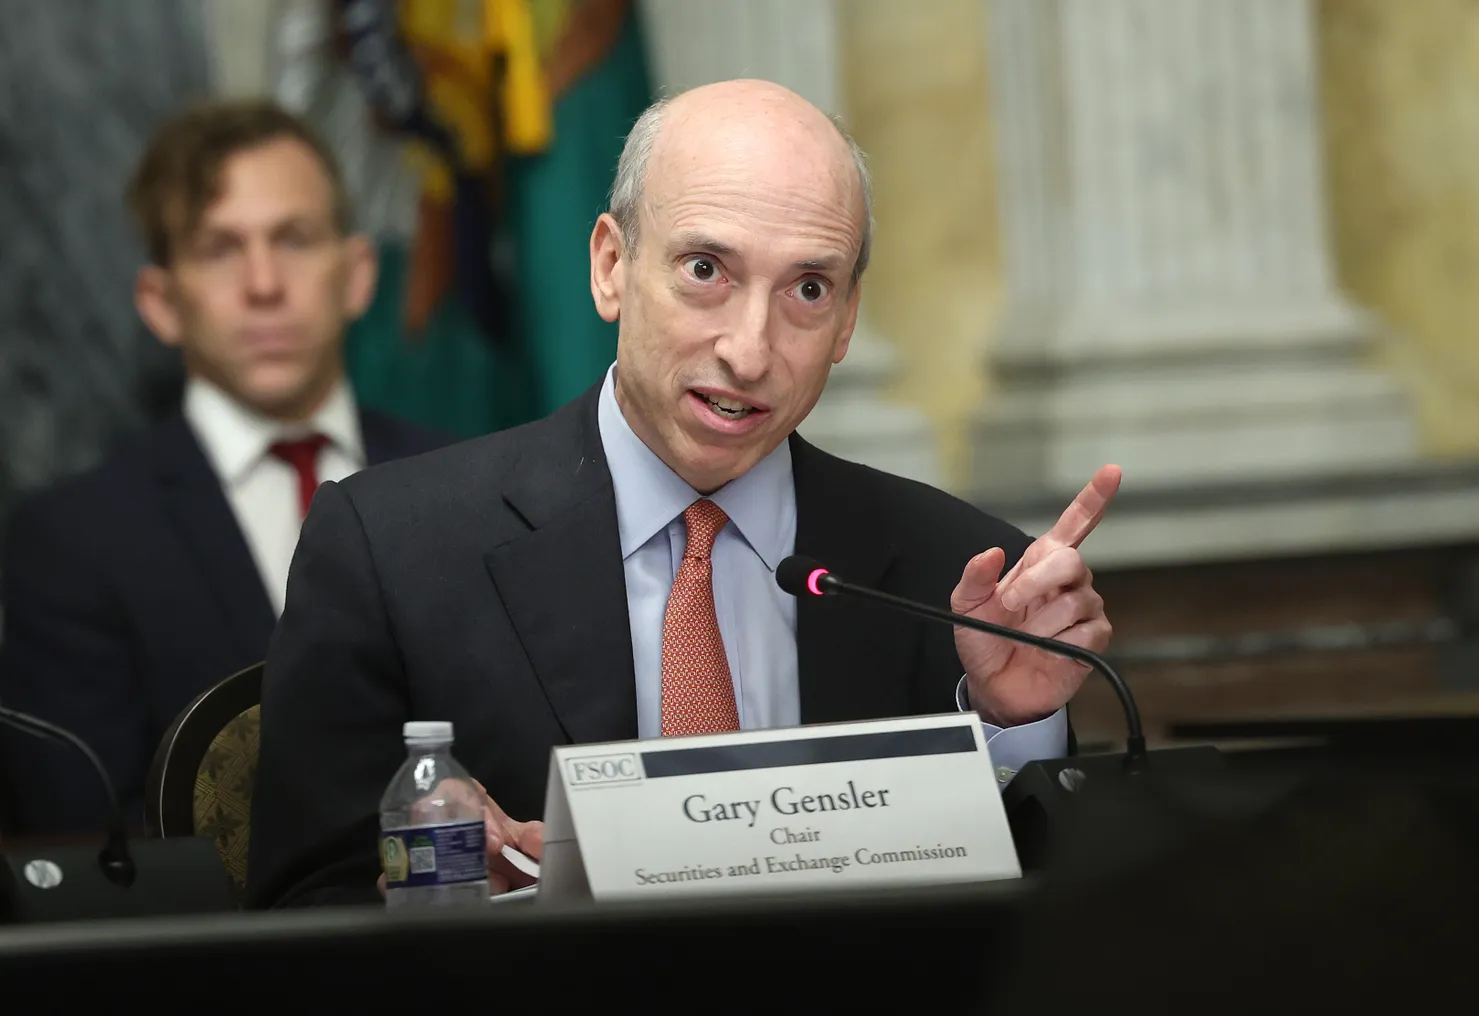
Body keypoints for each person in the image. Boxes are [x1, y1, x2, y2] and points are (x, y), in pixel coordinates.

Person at [245, 79, 1119, 908]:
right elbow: (302, 910)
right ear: (610, 266)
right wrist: (452, 882)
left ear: (848, 320)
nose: (749, 349)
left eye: (807, 290)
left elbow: (1049, 930)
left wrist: (1013, 724)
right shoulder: (391, 551)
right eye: (707, 270)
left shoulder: (953, 581)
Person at [0, 100, 448, 836]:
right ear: (161, 301)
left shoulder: (467, 479)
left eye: (295, 238)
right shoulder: (72, 541)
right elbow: (87, 840)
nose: (264, 283)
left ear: (359, 273)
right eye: (218, 249)